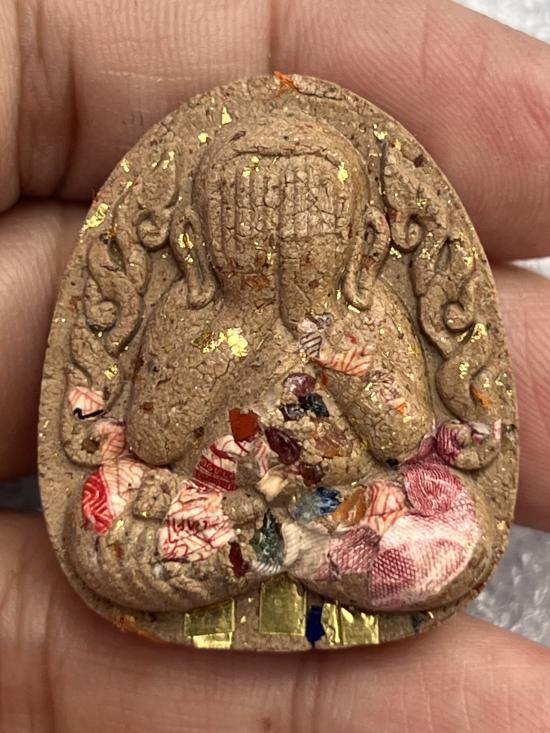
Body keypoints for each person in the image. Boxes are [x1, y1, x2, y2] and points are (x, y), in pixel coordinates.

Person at [1, 0, 549, 730]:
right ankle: (258, 550)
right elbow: (156, 442)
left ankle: (294, 551)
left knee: (458, 528)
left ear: (362, 243)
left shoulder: (367, 312)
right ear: (197, 241)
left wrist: (344, 360)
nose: (281, 250)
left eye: (308, 228)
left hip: (346, 513)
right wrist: (226, 335)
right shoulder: (189, 311)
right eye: (250, 226)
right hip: (212, 508)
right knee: (95, 521)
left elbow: (404, 436)